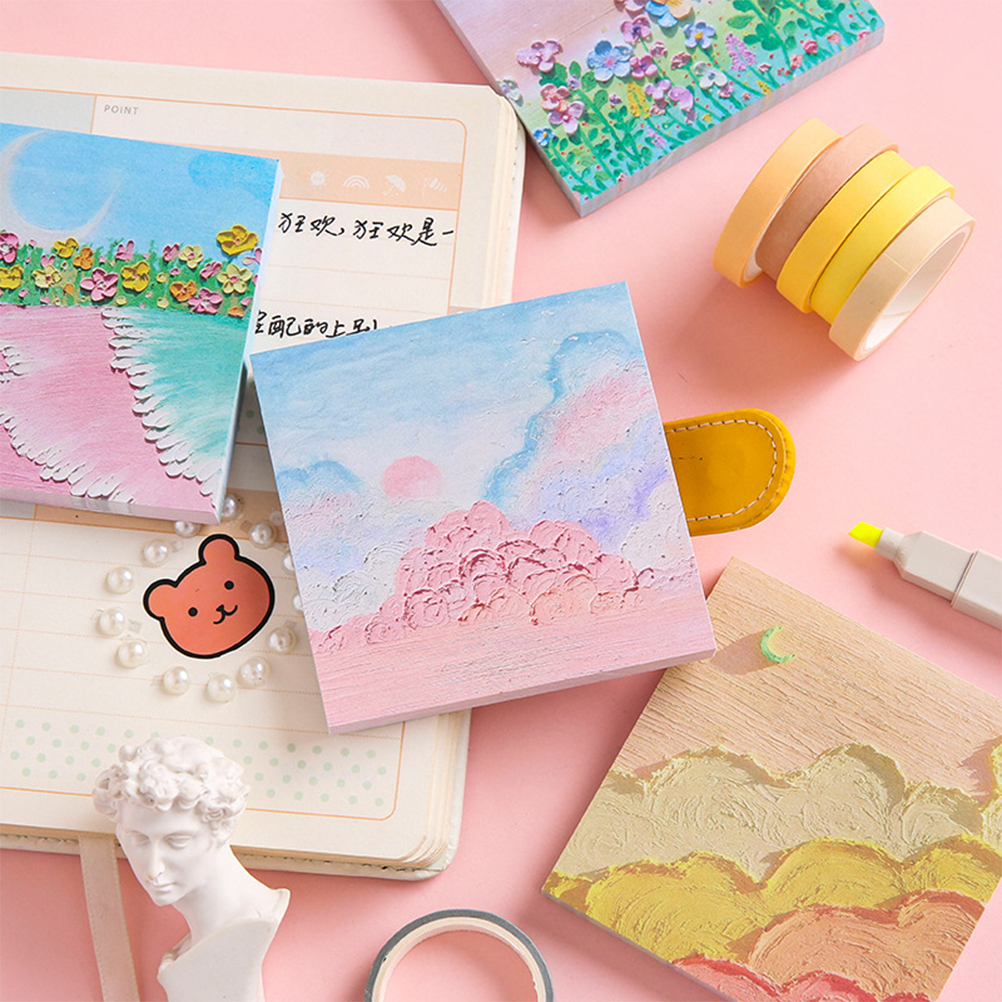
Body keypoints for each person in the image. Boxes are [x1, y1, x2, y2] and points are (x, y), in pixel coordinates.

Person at [93, 736, 289, 1002]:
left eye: (177, 841)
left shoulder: (244, 931)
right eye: (139, 839)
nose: (154, 869)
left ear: (222, 828)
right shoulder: (216, 933)